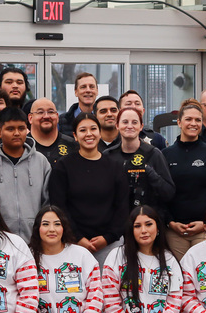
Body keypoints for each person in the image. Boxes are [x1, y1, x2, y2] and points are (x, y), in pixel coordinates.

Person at [49, 113, 129, 264]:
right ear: (75, 136)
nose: (89, 134)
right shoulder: (64, 166)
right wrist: (78, 238)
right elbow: (59, 206)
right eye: (83, 130)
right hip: (73, 244)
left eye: (93, 129)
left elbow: (122, 207)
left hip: (110, 245)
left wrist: (108, 238)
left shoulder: (115, 166)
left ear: (99, 133)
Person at [160, 99, 206, 260]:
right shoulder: (165, 155)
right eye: (188, 119)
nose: (193, 123)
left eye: (198, 120)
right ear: (179, 122)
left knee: (205, 276)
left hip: (204, 229)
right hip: (175, 231)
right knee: (179, 277)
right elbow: (159, 194)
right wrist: (170, 222)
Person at [0, 107, 50, 238]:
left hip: (35, 240)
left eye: (21, 128)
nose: (16, 133)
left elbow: (47, 203)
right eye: (10, 129)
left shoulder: (41, 161)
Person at [107, 107, 174, 215]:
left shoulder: (153, 154)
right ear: (117, 126)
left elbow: (168, 193)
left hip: (148, 222)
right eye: (125, 122)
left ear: (141, 127)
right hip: (117, 223)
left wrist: (149, 172)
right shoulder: (109, 156)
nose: (129, 126)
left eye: (134, 122)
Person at [30, 98, 77, 167]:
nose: (46, 116)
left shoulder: (72, 146)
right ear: (30, 118)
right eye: (40, 112)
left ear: (57, 117)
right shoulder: (23, 146)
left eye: (51, 112)